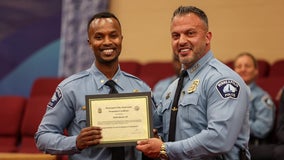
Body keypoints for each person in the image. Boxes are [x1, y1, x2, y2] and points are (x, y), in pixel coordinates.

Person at [136, 6, 250, 160]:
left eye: (190, 33)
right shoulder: (173, 88)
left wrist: (165, 149)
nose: (182, 41)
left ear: (207, 37)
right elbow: (161, 131)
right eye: (176, 35)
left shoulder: (222, 81)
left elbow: (219, 139)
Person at [35, 12, 151, 160]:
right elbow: (42, 137)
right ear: (89, 43)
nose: (107, 42)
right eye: (99, 37)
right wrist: (76, 142)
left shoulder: (141, 89)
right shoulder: (70, 88)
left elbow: (157, 137)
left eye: (113, 35)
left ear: (121, 39)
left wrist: (153, 137)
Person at [234, 52, 276, 146]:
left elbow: (263, 129)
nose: (243, 69)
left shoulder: (262, 97)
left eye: (247, 66)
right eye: (239, 66)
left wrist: (236, 123)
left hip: (248, 145)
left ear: (256, 70)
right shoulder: (225, 93)